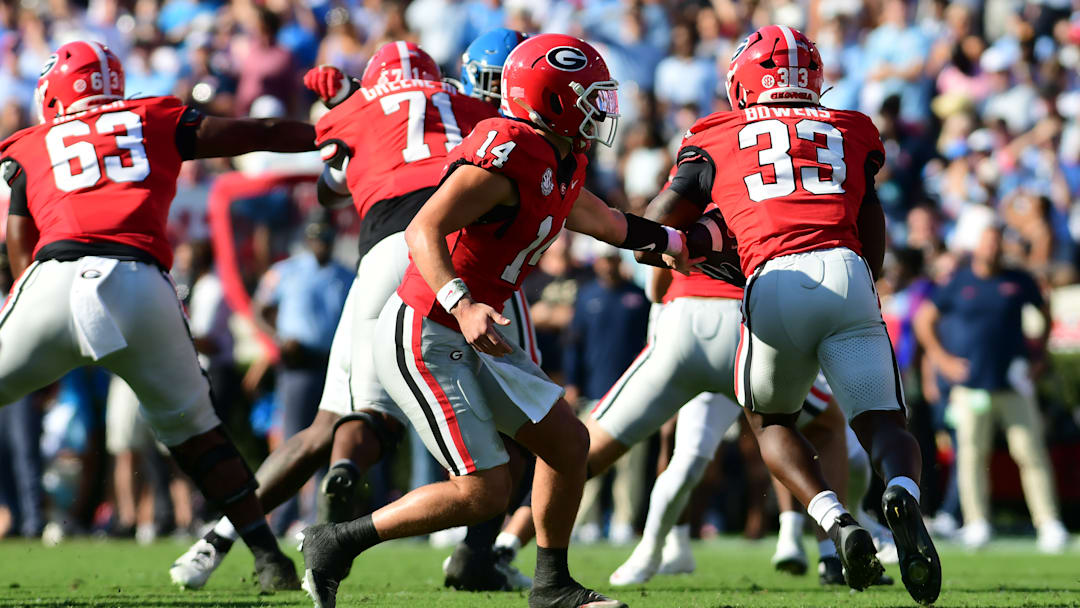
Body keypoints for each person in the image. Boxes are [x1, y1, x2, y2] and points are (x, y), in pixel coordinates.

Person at [297, 33, 694, 608]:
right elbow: (422, 229)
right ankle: (334, 542)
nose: (602, 110)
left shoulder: (562, 158)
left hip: (475, 333)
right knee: (485, 492)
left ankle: (552, 585)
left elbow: (605, 222)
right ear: (551, 100)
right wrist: (461, 301)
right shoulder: (508, 150)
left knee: (567, 443)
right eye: (589, 97)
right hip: (427, 327)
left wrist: (681, 241)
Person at [171, 34, 536, 592]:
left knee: (332, 424)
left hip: (384, 254)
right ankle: (478, 554)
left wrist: (345, 103)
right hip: (462, 254)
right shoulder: (475, 107)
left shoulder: (361, 107)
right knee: (527, 418)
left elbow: (329, 190)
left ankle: (216, 540)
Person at [0, 40, 317, 591]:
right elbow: (259, 134)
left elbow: (19, 241)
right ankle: (270, 560)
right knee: (201, 435)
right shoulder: (152, 114)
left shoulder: (32, 143)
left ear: (52, 94)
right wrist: (334, 136)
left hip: (54, 275)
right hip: (139, 281)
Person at [641, 25, 941, 605]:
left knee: (773, 422)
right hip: (847, 271)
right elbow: (873, 247)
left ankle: (836, 523)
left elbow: (658, 225)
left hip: (773, 277)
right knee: (884, 424)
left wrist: (700, 241)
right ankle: (901, 490)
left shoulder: (715, 133)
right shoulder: (852, 128)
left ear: (744, 82)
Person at [914, 224, 1067, 553]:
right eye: (988, 242)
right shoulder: (960, 280)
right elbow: (924, 318)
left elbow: (1045, 311)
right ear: (977, 246)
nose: (993, 248)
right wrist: (941, 359)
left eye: (997, 242)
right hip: (970, 386)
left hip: (1013, 383)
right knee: (970, 456)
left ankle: (1048, 522)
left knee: (1030, 452)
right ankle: (977, 521)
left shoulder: (1019, 280)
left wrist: (1039, 353)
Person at [251, 212, 352, 534]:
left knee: (326, 441)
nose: (320, 244)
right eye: (315, 238)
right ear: (307, 240)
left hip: (332, 363)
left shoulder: (346, 275)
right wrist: (279, 340)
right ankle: (281, 516)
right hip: (297, 363)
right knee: (294, 440)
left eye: (325, 238)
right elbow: (261, 309)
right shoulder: (288, 270)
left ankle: (314, 517)